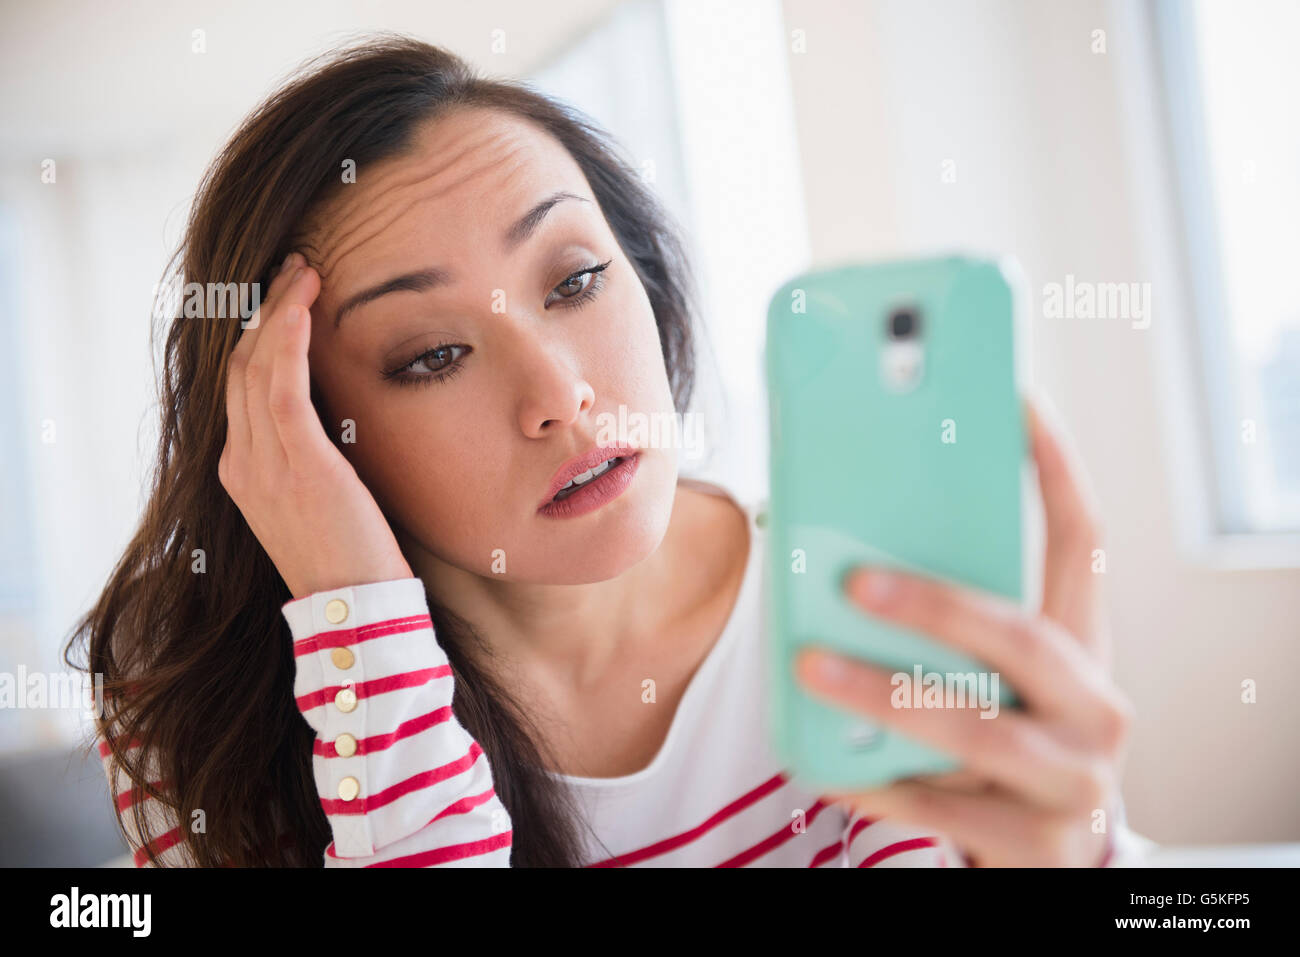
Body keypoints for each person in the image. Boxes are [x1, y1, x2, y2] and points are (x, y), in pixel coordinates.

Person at [66, 36, 1154, 867]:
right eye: (434, 354)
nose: (559, 395)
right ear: (298, 427)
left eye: (577, 281)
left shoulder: (859, 630)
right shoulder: (195, 728)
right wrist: (359, 633)